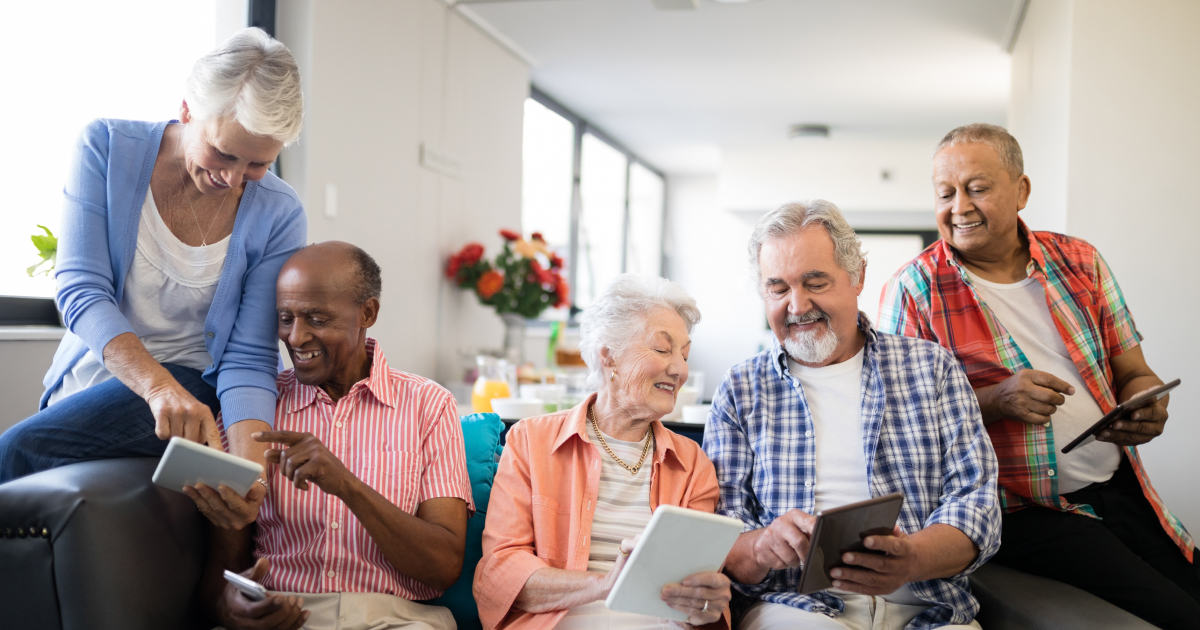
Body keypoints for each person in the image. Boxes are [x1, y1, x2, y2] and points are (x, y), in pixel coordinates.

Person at [878, 123, 1199, 629]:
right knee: (1179, 616)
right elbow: (901, 426)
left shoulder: (1081, 261)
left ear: (1021, 190)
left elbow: (1133, 370)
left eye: (977, 188)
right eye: (945, 193)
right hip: (1020, 512)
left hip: (1119, 487)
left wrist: (1145, 404)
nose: (959, 206)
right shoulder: (913, 291)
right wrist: (996, 399)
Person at [0, 28, 306, 529]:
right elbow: (81, 288)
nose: (233, 178)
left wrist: (252, 472)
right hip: (114, 383)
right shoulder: (107, 146)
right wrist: (156, 387)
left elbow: (248, 356)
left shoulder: (280, 212)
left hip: (193, 390)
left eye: (258, 163)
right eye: (223, 153)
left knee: (15, 452)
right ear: (187, 110)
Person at [706, 201, 1000, 630]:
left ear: (857, 276)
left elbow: (977, 505)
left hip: (929, 608)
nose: (797, 305)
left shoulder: (931, 369)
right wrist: (762, 546)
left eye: (815, 282)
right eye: (778, 288)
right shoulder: (740, 390)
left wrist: (912, 558)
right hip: (797, 609)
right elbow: (719, 534)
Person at [196, 242, 474, 630]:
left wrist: (346, 485)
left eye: (316, 318)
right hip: (285, 616)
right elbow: (221, 574)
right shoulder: (252, 410)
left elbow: (443, 567)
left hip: (395, 619)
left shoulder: (428, 405)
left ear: (368, 313)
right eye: (286, 317)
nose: (295, 337)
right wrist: (232, 608)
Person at [474, 274, 733, 630]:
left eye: (684, 354)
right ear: (609, 357)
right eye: (662, 349)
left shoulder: (692, 466)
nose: (680, 369)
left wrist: (705, 608)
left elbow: (698, 600)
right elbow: (501, 574)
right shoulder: (531, 442)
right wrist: (605, 584)